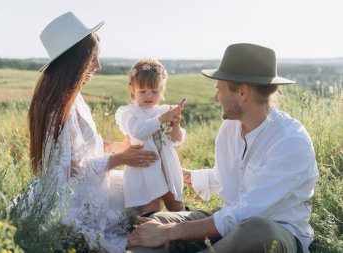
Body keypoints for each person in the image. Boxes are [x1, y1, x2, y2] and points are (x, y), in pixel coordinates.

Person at [127, 43, 319, 253]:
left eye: (219, 89)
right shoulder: (229, 128)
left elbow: (247, 213)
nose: (215, 97)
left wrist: (172, 232)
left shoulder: (291, 142)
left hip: (274, 231)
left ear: (242, 92)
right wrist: (181, 174)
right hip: (227, 220)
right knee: (153, 223)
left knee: (257, 229)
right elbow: (223, 178)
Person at [27, 12, 158, 252]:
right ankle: (160, 236)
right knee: (144, 188)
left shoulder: (70, 95)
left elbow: (86, 147)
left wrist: (124, 147)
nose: (98, 66)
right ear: (75, 60)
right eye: (93, 59)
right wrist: (121, 159)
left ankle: (159, 228)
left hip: (86, 184)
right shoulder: (58, 106)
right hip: (76, 197)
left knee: (143, 181)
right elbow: (72, 170)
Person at [115, 58, 186, 216]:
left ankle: (186, 230)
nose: (149, 96)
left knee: (174, 202)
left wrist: (176, 125)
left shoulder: (164, 110)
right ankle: (152, 232)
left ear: (162, 90)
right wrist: (162, 119)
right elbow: (139, 132)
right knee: (150, 207)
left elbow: (177, 140)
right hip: (144, 168)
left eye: (154, 91)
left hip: (166, 166)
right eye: (143, 91)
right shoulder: (130, 113)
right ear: (132, 90)